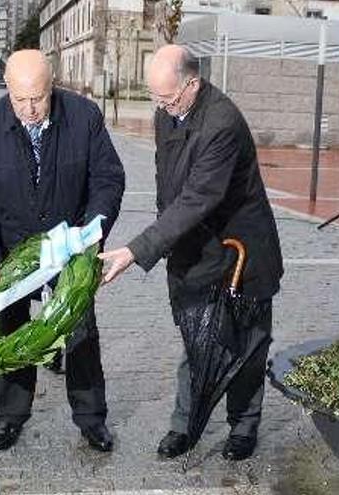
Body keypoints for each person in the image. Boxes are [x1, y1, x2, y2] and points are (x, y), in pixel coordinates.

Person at [98, 45, 283, 461]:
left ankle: (243, 427)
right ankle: (184, 425)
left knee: (248, 344)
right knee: (195, 337)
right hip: (194, 246)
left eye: (168, 97)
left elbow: (200, 196)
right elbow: (169, 184)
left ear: (193, 84)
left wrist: (136, 249)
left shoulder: (222, 122)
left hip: (242, 251)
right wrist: (167, 238)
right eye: (155, 97)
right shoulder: (167, 113)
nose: (160, 106)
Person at [0, 49, 125, 452]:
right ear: (8, 89)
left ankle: (91, 419)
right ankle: (9, 417)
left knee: (81, 331)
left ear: (52, 86)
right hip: (11, 251)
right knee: (12, 329)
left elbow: (107, 179)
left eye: (38, 98)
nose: (30, 109)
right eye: (20, 99)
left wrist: (90, 233)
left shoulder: (84, 117)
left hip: (70, 249)